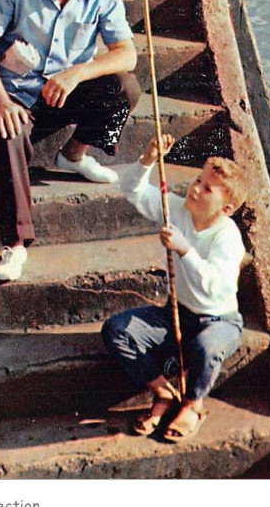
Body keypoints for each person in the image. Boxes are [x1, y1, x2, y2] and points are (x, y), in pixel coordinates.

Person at [0, 0, 140, 282]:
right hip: (17, 92)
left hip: (63, 89)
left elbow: (127, 55)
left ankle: (73, 155)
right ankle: (15, 242)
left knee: (126, 88)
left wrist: (78, 73)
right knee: (8, 131)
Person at [102, 133, 247, 442]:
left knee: (206, 348)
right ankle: (162, 391)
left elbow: (212, 286)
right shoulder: (178, 209)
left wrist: (184, 249)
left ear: (227, 208)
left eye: (207, 188)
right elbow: (132, 190)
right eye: (197, 180)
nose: (194, 188)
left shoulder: (228, 236)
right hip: (176, 313)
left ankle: (193, 405)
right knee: (116, 330)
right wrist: (148, 158)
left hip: (218, 321)